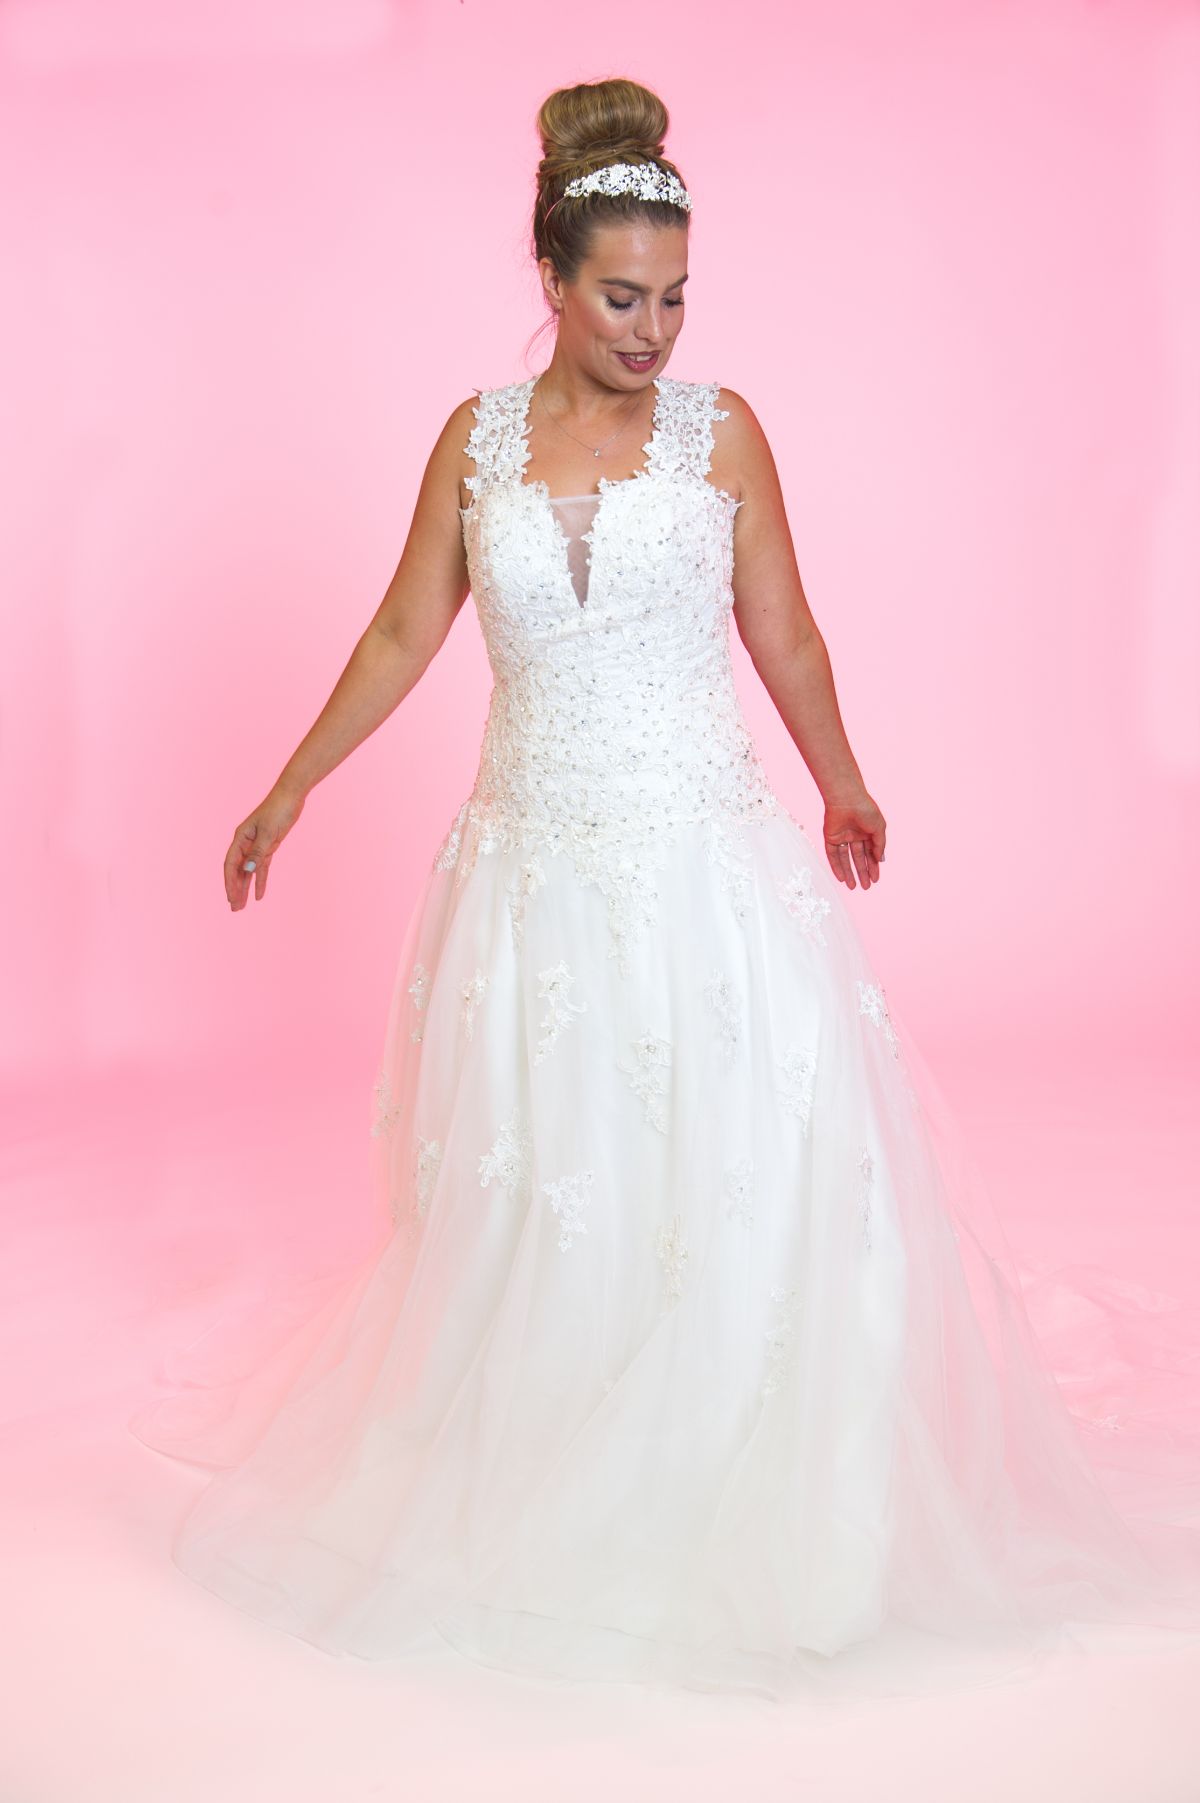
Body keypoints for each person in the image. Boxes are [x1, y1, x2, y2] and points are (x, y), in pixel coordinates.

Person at [130, 77, 1200, 1704]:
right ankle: (557, 1471)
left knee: (735, 1174)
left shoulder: (722, 432)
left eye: (677, 297)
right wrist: (291, 785)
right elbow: (405, 629)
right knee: (555, 1181)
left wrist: (842, 777)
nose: (654, 330)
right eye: (623, 297)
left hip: (704, 861)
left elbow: (786, 629)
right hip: (533, 875)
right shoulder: (475, 442)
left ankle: (757, 1496)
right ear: (552, 281)